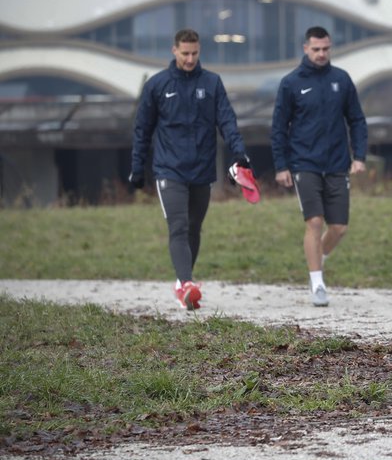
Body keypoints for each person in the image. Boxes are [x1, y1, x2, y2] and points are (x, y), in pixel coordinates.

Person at [130, 28, 251, 311]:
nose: (190, 59)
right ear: (174, 51)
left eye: (195, 53)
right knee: (179, 226)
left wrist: (239, 152)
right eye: (185, 53)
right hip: (168, 169)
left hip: (201, 169)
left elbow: (227, 121)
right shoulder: (157, 85)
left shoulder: (211, 83)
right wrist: (137, 167)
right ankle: (186, 284)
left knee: (195, 228)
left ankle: (184, 283)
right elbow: (142, 129)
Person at [271, 26, 368, 308]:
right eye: (316, 49)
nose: (322, 54)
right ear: (305, 48)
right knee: (314, 222)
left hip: (337, 164)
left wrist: (359, 155)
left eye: (326, 49)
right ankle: (317, 283)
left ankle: (318, 259)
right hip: (304, 164)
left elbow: (357, 120)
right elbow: (278, 128)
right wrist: (281, 166)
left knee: (338, 228)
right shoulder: (291, 83)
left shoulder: (342, 79)